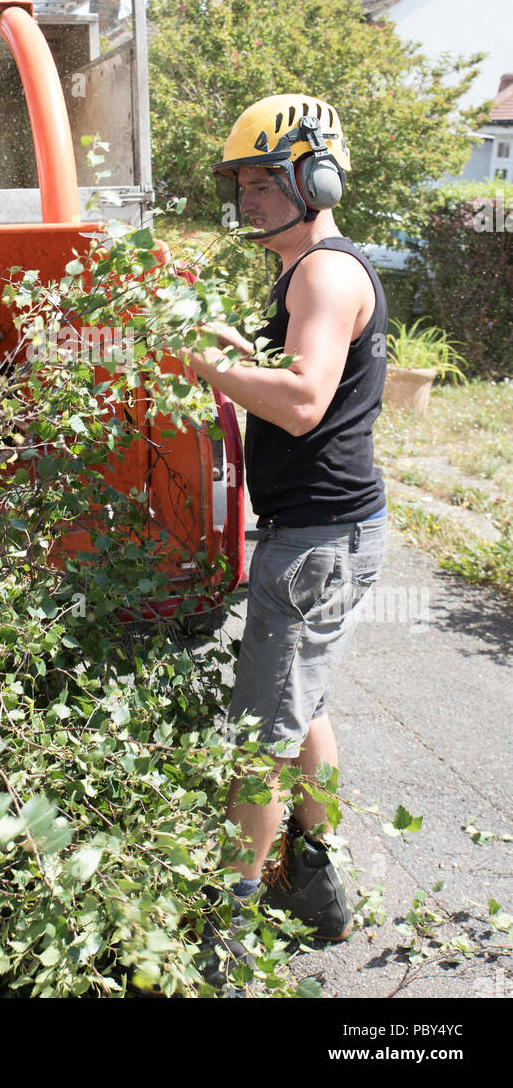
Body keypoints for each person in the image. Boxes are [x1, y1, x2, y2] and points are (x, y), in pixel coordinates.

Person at [180, 93, 388, 992]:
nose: (249, 196)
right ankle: (317, 874)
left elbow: (303, 404)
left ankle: (223, 928)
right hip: (332, 531)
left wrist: (212, 368)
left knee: (259, 737)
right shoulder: (307, 271)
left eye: (267, 177)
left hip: (313, 542)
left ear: (317, 175)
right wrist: (242, 354)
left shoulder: (323, 274)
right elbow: (307, 382)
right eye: (242, 180)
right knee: (303, 707)